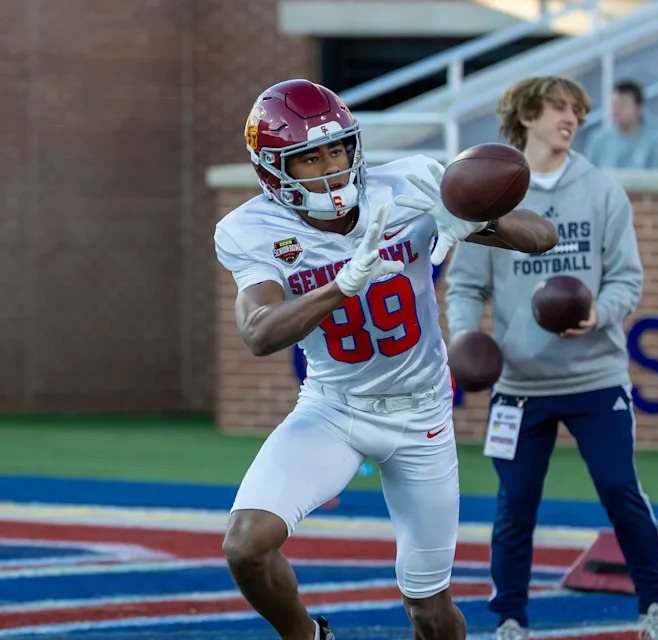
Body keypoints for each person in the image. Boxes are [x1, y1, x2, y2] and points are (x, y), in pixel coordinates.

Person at [214, 79, 558, 640]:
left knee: (428, 606)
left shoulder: (406, 185)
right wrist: (340, 288)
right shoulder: (251, 230)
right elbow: (258, 332)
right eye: (308, 157)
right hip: (334, 409)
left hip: (422, 414)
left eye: (336, 149)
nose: (330, 166)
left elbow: (542, 236)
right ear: (274, 170)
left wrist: (468, 216)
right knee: (245, 545)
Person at [445, 76, 658, 640]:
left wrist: (600, 314)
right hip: (521, 385)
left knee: (621, 493)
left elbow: (627, 278)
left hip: (595, 377)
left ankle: (657, 611)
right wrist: (465, 337)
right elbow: (465, 287)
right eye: (557, 107)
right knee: (515, 509)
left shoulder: (602, 190)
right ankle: (509, 621)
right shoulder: (490, 196)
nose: (570, 117)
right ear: (526, 116)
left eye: (576, 108)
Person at [585, 80, 658, 169]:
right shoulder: (598, 140)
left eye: (623, 104)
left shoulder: (657, 143)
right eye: (613, 104)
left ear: (639, 108)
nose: (616, 109)